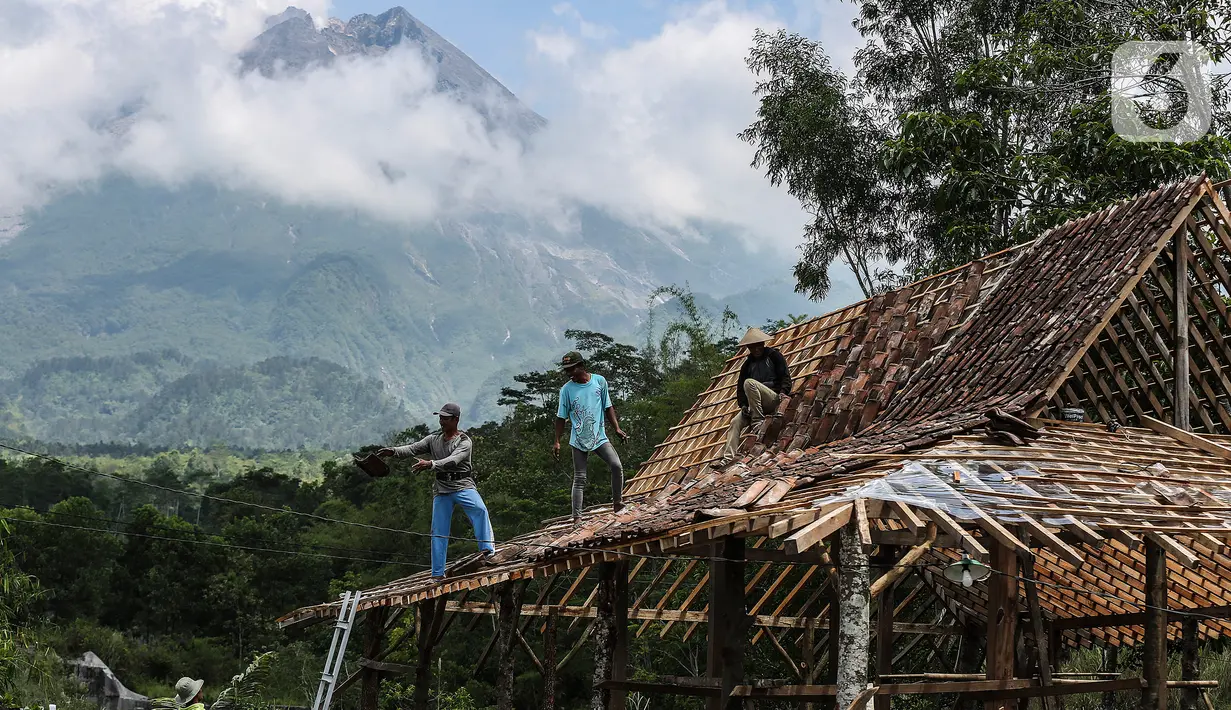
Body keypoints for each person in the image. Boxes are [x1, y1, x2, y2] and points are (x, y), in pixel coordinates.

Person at [377, 403, 496, 582]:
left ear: (456, 420)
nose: (441, 421)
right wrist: (393, 451)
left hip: (463, 485)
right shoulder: (433, 439)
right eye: (440, 418)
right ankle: (437, 573)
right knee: (438, 531)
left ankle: (488, 553)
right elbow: (412, 448)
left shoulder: (464, 441)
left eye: (445, 418)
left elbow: (453, 461)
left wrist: (430, 464)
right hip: (442, 489)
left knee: (480, 510)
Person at [552, 351, 628, 523]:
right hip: (578, 439)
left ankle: (618, 503)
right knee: (580, 477)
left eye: (572, 369)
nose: (569, 373)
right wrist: (557, 441)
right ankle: (577, 517)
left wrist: (617, 428)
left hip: (599, 436)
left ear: (581, 366)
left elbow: (608, 407)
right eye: (566, 370)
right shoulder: (566, 390)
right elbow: (560, 418)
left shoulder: (599, 382)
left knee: (616, 465)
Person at [720, 327, 792, 463]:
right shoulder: (747, 365)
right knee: (735, 422)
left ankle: (757, 422)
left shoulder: (774, 356)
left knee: (749, 383)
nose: (756, 350)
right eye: (752, 347)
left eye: (758, 346)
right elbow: (740, 390)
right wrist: (743, 405)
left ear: (763, 344)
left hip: (772, 398)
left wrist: (783, 392)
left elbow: (786, 377)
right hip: (755, 404)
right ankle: (728, 458)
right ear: (748, 348)